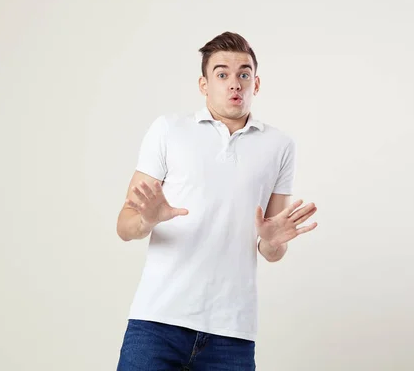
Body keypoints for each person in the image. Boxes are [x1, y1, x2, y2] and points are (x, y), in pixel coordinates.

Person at [115, 31, 318, 370]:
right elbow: (124, 226)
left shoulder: (279, 145)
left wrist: (271, 242)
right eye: (222, 74)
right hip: (157, 322)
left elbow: (272, 248)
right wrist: (148, 220)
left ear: (256, 82)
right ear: (204, 84)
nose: (234, 83)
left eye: (244, 74)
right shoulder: (169, 129)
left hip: (232, 333)